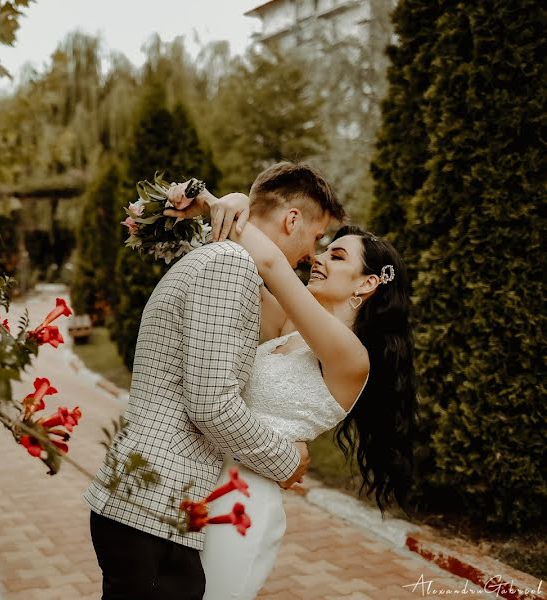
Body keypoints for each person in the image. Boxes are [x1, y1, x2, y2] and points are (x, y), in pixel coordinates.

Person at [83, 162, 347, 600]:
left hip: (149, 503)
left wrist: (225, 202)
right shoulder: (229, 265)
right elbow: (212, 405)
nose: (312, 252)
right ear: (292, 219)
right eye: (317, 237)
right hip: (153, 505)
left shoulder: (216, 256)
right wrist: (287, 461)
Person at [165, 186, 418, 600]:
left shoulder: (350, 358)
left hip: (244, 499)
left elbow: (268, 263)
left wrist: (214, 203)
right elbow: (238, 260)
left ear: (368, 283)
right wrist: (237, 202)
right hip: (201, 476)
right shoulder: (289, 327)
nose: (317, 258)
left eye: (336, 257)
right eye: (325, 250)